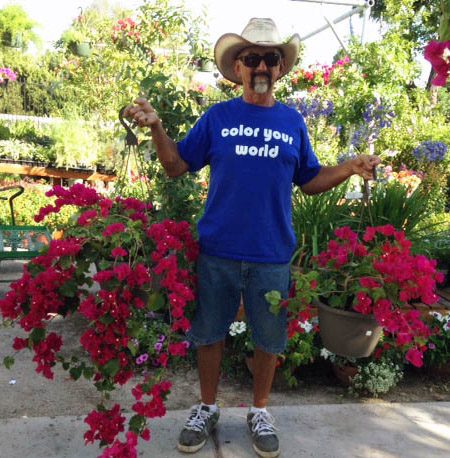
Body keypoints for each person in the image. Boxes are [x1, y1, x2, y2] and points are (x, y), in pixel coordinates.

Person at [124, 17, 380, 458]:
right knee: (208, 333)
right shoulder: (218, 117)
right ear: (238, 67)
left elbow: (309, 178)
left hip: (271, 253)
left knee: (269, 338)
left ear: (280, 67)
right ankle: (206, 407)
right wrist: (156, 128)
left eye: (270, 58)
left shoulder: (292, 123)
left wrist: (348, 169)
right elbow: (176, 166)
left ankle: (260, 411)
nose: (261, 65)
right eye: (252, 58)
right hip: (218, 250)